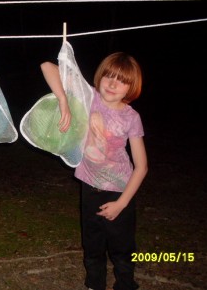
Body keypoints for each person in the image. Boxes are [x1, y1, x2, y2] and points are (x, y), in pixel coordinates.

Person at [40, 52, 148, 290]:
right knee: (92, 245)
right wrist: (63, 100)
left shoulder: (131, 117)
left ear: (131, 87)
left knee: (122, 248)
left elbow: (141, 167)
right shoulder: (90, 97)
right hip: (89, 187)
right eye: (109, 76)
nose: (112, 83)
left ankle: (126, 284)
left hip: (120, 191)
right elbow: (48, 66)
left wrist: (121, 203)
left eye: (121, 80)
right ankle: (94, 284)